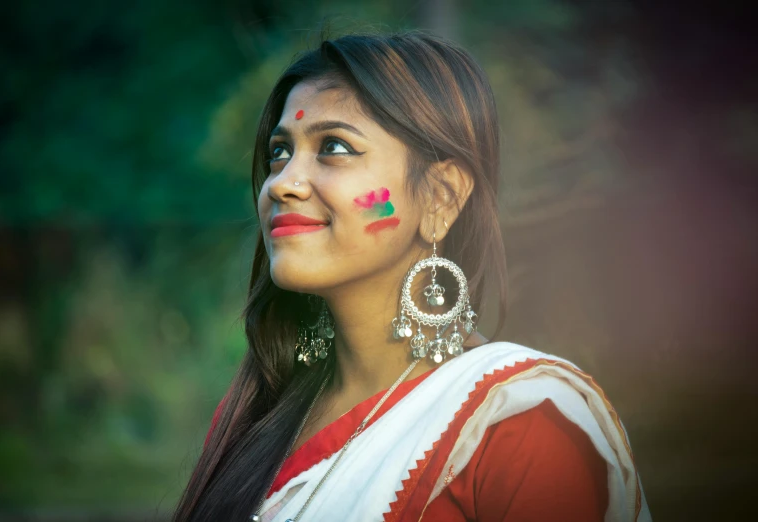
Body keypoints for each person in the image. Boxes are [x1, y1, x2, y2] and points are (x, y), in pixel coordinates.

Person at [173, 31, 650, 522]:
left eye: (334, 147)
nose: (283, 183)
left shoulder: (520, 422)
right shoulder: (256, 417)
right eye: (279, 152)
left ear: (441, 197)